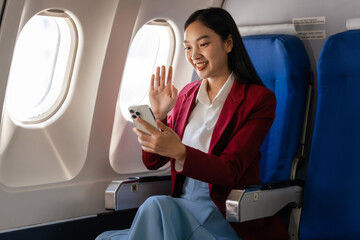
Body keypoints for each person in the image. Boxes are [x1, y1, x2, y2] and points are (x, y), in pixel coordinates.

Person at [96, 7, 289, 240]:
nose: (193, 55)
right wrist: (158, 116)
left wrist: (180, 151)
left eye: (203, 44)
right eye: (188, 47)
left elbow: (231, 171)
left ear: (228, 44)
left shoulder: (258, 100)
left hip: (223, 213)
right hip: (181, 209)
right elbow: (153, 161)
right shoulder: (187, 95)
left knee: (155, 206)